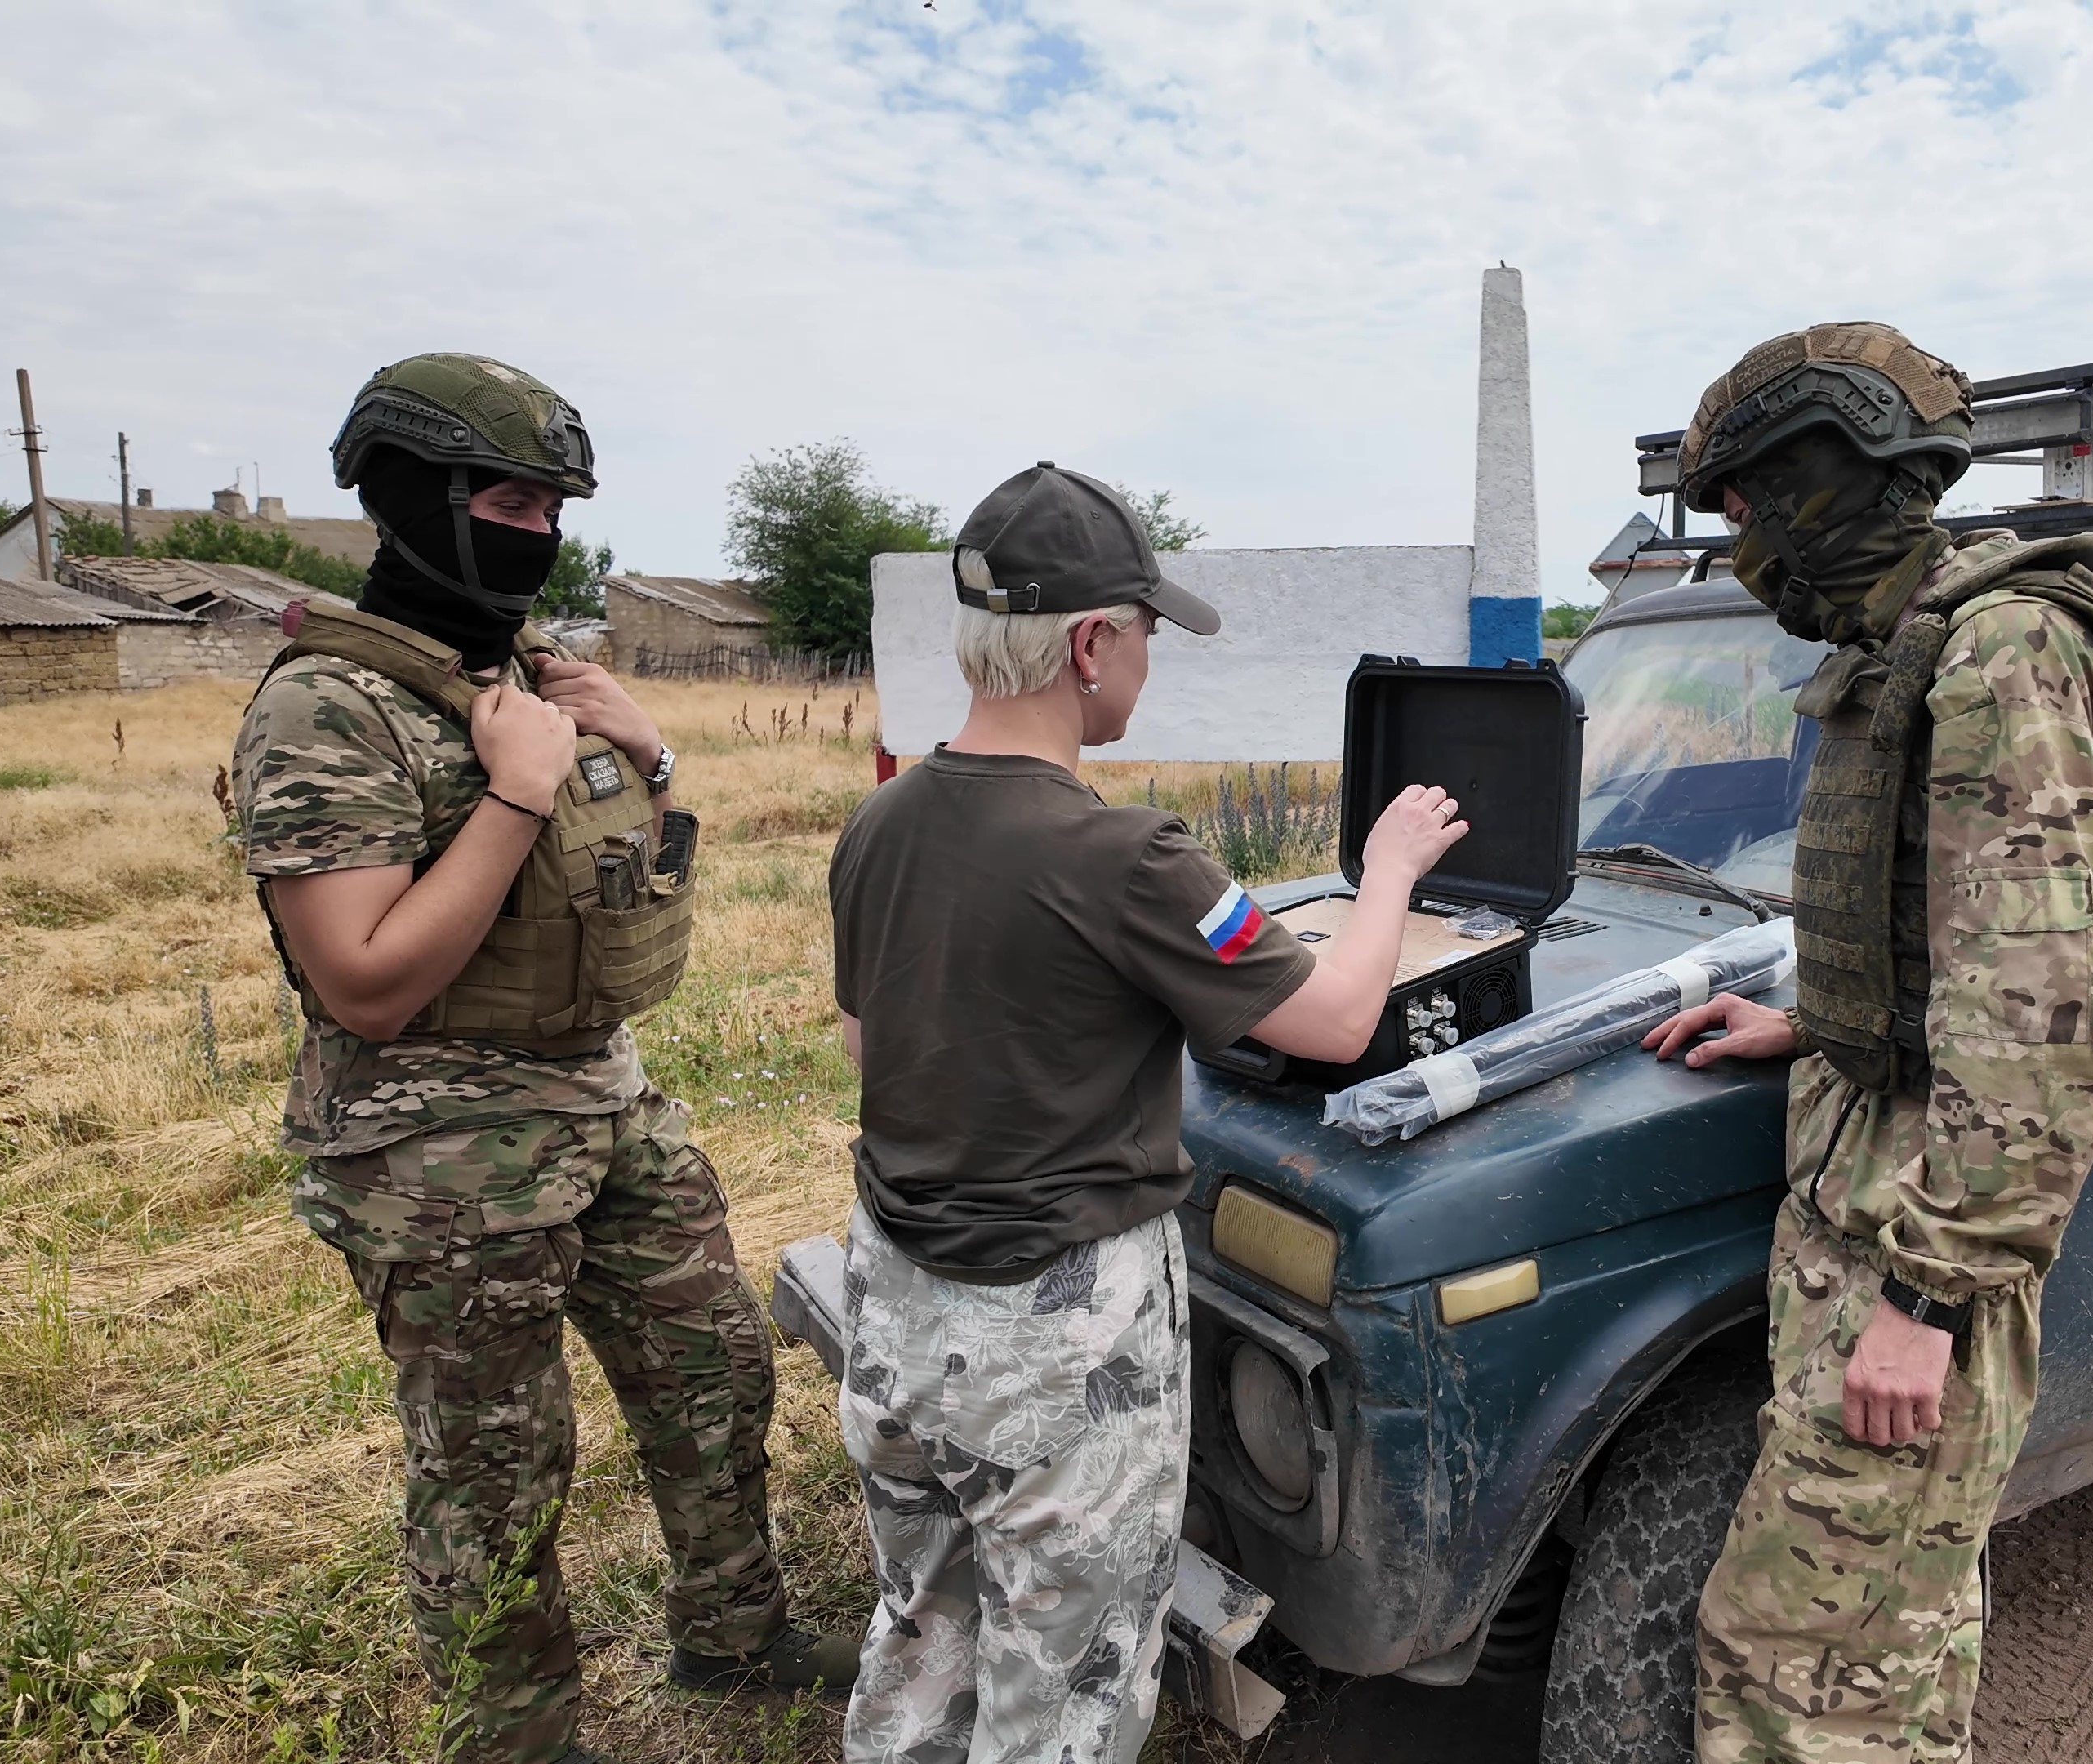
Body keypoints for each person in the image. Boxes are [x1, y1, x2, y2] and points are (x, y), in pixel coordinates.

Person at [231, 354, 855, 1764]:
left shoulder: (514, 674)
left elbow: (616, 882)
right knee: (496, 1471)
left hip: (600, 1093)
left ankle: (733, 1636)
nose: (539, 531)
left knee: (714, 1365)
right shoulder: (329, 707)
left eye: (555, 504)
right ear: (412, 497)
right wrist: (515, 789)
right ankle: (517, 1738)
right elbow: (367, 981)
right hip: (437, 1149)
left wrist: (653, 759)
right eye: (509, 498)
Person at [826, 461, 1469, 1764]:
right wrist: (1390, 869)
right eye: (1148, 634)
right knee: (1063, 1690)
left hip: (895, 1316)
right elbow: (1341, 1022)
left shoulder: (877, 824)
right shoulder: (1131, 858)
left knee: (926, 1628)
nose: (1149, 666)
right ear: (1088, 643)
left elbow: (870, 1042)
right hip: (1051, 1358)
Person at [1638, 324, 2093, 1763]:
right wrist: (1817, 1018)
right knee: (1889, 1644)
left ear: (1832, 477)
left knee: (1797, 1672)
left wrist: (1925, 1306)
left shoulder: (2006, 652)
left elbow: (2050, 1008)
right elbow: (1947, 936)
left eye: (1751, 509)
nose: (1742, 548)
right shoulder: (1918, 639)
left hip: (1916, 1240)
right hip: (1867, 1196)